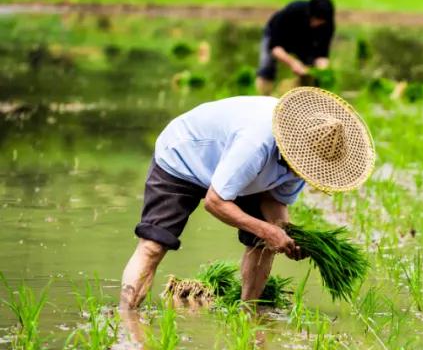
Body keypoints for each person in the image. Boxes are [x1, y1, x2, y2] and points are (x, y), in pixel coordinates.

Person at [118, 87, 375, 312]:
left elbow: (276, 202)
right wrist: (267, 230)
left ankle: (248, 314)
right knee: (153, 245)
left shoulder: (307, 160)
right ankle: (125, 321)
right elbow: (215, 201)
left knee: (264, 244)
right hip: (183, 156)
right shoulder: (256, 142)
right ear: (292, 146)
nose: (304, 172)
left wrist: (284, 234)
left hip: (238, 172)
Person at [256, 0, 336, 95]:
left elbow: (322, 54)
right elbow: (275, 48)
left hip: (304, 40)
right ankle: (263, 98)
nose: (317, 24)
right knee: (267, 69)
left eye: (321, 22)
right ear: (310, 14)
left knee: (311, 76)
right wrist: (293, 62)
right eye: (315, 20)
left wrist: (322, 72)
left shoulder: (328, 24)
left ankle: (303, 102)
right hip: (279, 37)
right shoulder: (293, 11)